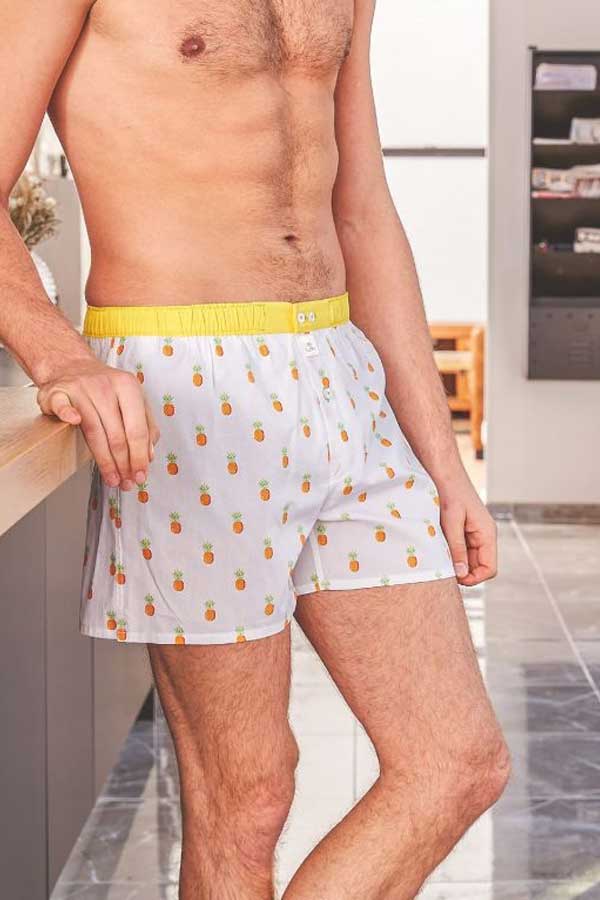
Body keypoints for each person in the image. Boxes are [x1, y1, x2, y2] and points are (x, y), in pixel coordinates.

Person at [0, 1, 510, 897]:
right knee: (247, 799)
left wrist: (445, 463)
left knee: (458, 761)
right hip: (184, 385)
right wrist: (61, 356)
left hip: (342, 366)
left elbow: (362, 210)